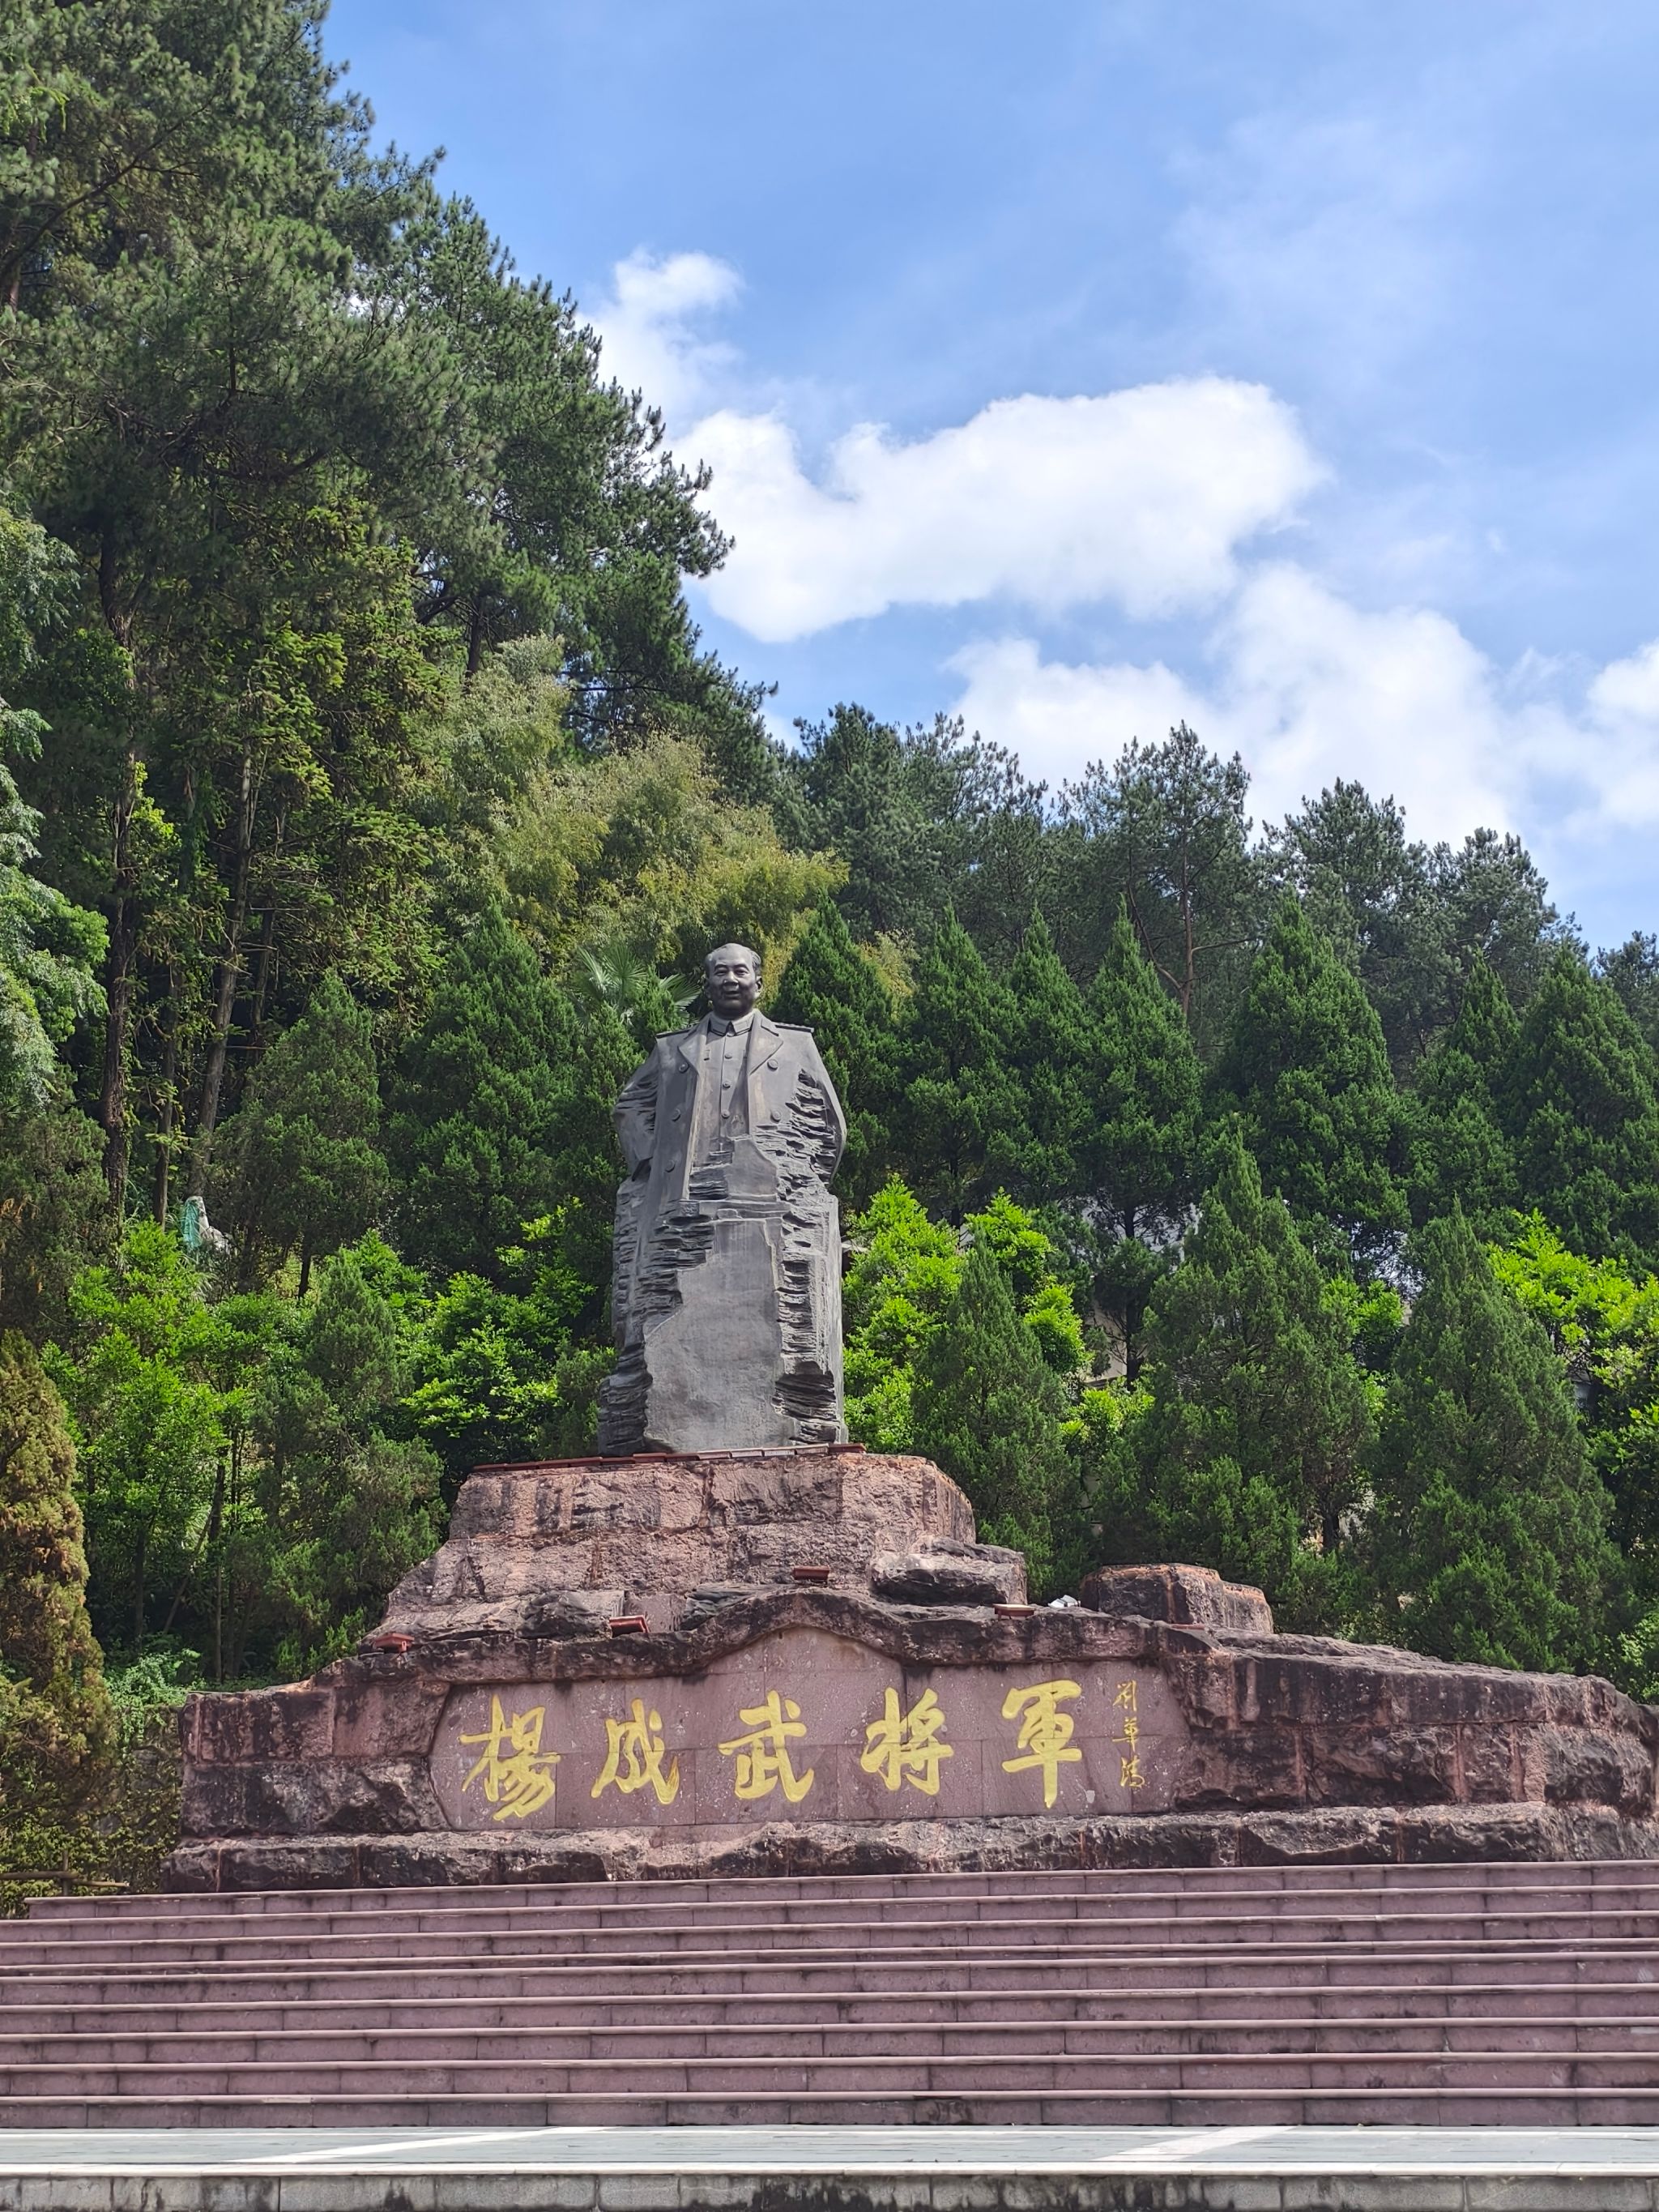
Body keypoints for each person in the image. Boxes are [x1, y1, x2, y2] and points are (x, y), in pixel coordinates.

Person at [598, 942, 847, 1455]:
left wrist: (799, 1181)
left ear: (759, 981)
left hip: (767, 1203)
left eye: (740, 971)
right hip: (683, 1204)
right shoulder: (673, 1050)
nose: (730, 980)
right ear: (707, 983)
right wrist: (650, 1162)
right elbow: (630, 1106)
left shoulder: (795, 1045)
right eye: (720, 973)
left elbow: (829, 1123)